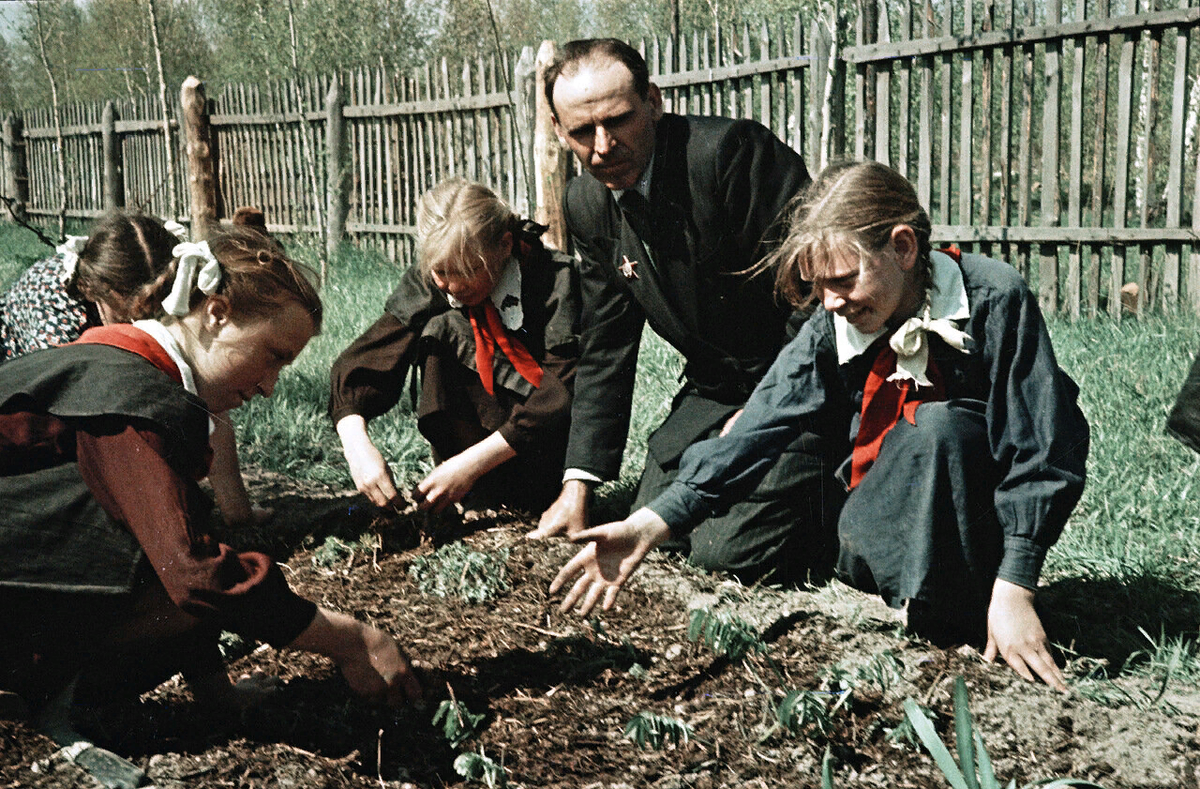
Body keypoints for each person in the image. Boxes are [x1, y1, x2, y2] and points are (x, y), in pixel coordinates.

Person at [549, 161, 1089, 692]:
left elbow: (1042, 448)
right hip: (878, 515)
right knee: (736, 540)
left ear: (903, 248)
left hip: (975, 516)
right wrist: (649, 524)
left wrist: (1017, 583)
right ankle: (915, 599)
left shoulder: (995, 297)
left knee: (943, 426)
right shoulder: (832, 325)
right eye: (818, 285)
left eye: (844, 279)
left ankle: (970, 605)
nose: (830, 301)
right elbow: (757, 429)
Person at [0, 226, 421, 742]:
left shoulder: (122, 370)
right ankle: (37, 694)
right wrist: (349, 640)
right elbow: (193, 574)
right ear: (215, 312)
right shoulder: (128, 393)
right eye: (273, 356)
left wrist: (218, 694)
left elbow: (169, 554)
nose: (269, 387)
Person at [528, 38, 835, 586]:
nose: (602, 147)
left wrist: (767, 409)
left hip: (805, 380)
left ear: (653, 101)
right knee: (665, 527)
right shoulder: (585, 203)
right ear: (558, 130)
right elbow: (605, 345)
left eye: (619, 120)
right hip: (716, 389)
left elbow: (814, 296)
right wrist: (578, 483)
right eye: (580, 132)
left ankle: (840, 491)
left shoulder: (729, 155)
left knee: (727, 554)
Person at [0, 211, 270, 529]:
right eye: (126, 314)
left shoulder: (177, 285)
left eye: (154, 310)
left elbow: (203, 393)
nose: (138, 324)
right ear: (90, 289)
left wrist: (237, 512)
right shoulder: (55, 314)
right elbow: (85, 422)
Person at [330, 179, 579, 514]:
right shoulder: (438, 276)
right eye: (441, 271)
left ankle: (495, 487)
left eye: (468, 270)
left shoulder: (556, 282)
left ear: (505, 245)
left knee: (447, 326)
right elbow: (367, 357)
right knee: (439, 328)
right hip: (466, 463)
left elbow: (562, 394)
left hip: (542, 456)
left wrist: (470, 466)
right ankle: (476, 495)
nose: (454, 285)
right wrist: (357, 447)